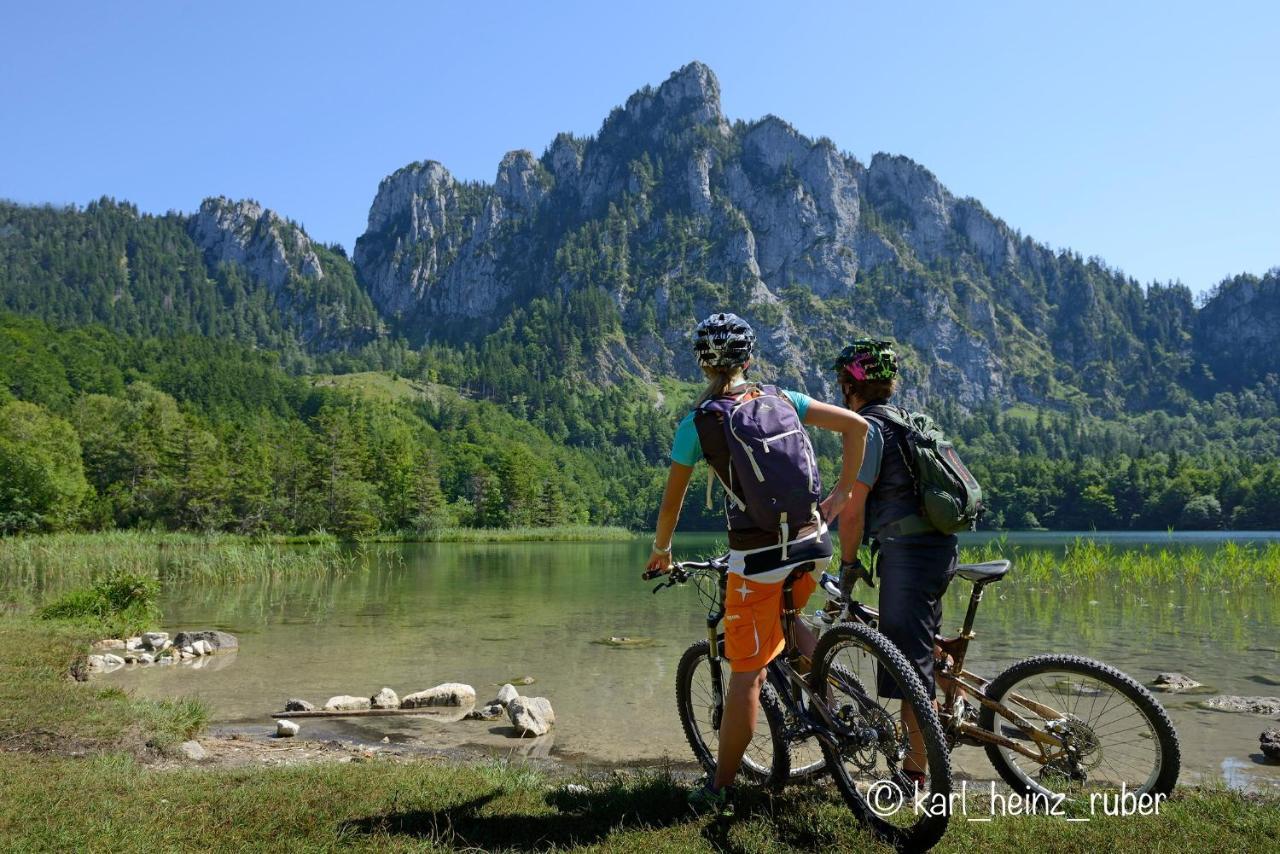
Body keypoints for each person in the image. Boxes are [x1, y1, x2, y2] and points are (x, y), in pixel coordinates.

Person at [646, 312, 869, 815]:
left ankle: (719, 788)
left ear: (703, 365)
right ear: (749, 359)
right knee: (791, 625)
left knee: (746, 675)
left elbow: (670, 505)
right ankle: (832, 711)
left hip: (759, 557)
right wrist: (840, 495)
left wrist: (661, 551)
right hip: (814, 542)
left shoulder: (699, 423)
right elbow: (857, 427)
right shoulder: (782, 398)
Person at [830, 338, 959, 784]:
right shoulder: (905, 422)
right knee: (919, 644)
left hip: (908, 555)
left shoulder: (865, 429)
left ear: (851, 385)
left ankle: (917, 775)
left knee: (909, 668)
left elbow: (852, 507)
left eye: (841, 381)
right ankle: (949, 701)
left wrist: (848, 564)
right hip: (936, 548)